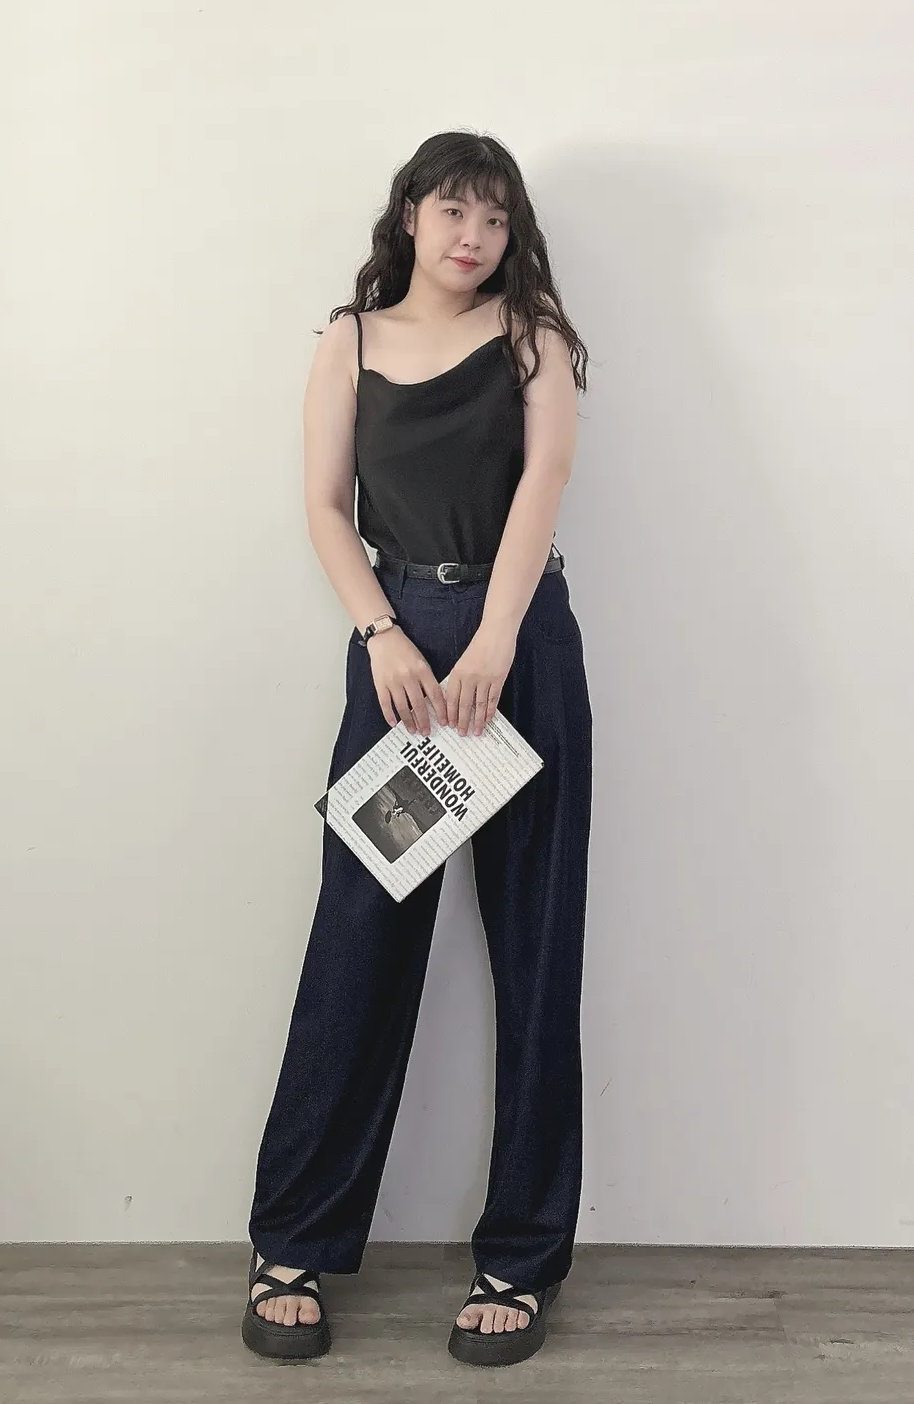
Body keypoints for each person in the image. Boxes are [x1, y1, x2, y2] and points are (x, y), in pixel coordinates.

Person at [242, 130, 593, 1369]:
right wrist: (383, 632)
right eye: (453, 211)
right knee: (358, 941)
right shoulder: (349, 339)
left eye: (495, 218)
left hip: (519, 650)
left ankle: (522, 1257)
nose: (473, 237)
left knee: (536, 949)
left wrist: (495, 637)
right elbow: (323, 506)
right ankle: (292, 1238)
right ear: (409, 215)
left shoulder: (533, 336)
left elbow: (545, 478)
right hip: (398, 658)